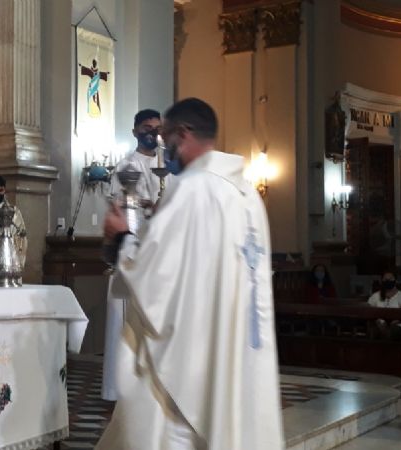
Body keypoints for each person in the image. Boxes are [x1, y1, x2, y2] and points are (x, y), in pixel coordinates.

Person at [98, 98, 283, 450]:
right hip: (239, 343)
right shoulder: (247, 195)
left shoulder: (193, 188)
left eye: (165, 136)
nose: (162, 147)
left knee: (174, 429)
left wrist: (120, 236)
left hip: (193, 352)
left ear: (183, 134)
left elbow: (155, 275)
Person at [102, 108, 164, 401]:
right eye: (147, 128)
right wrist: (145, 205)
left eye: (157, 128)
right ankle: (118, 389)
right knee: (124, 320)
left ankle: (155, 386)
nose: (153, 133)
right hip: (132, 247)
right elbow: (119, 205)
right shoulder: (126, 165)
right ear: (136, 130)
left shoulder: (169, 164)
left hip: (160, 253)